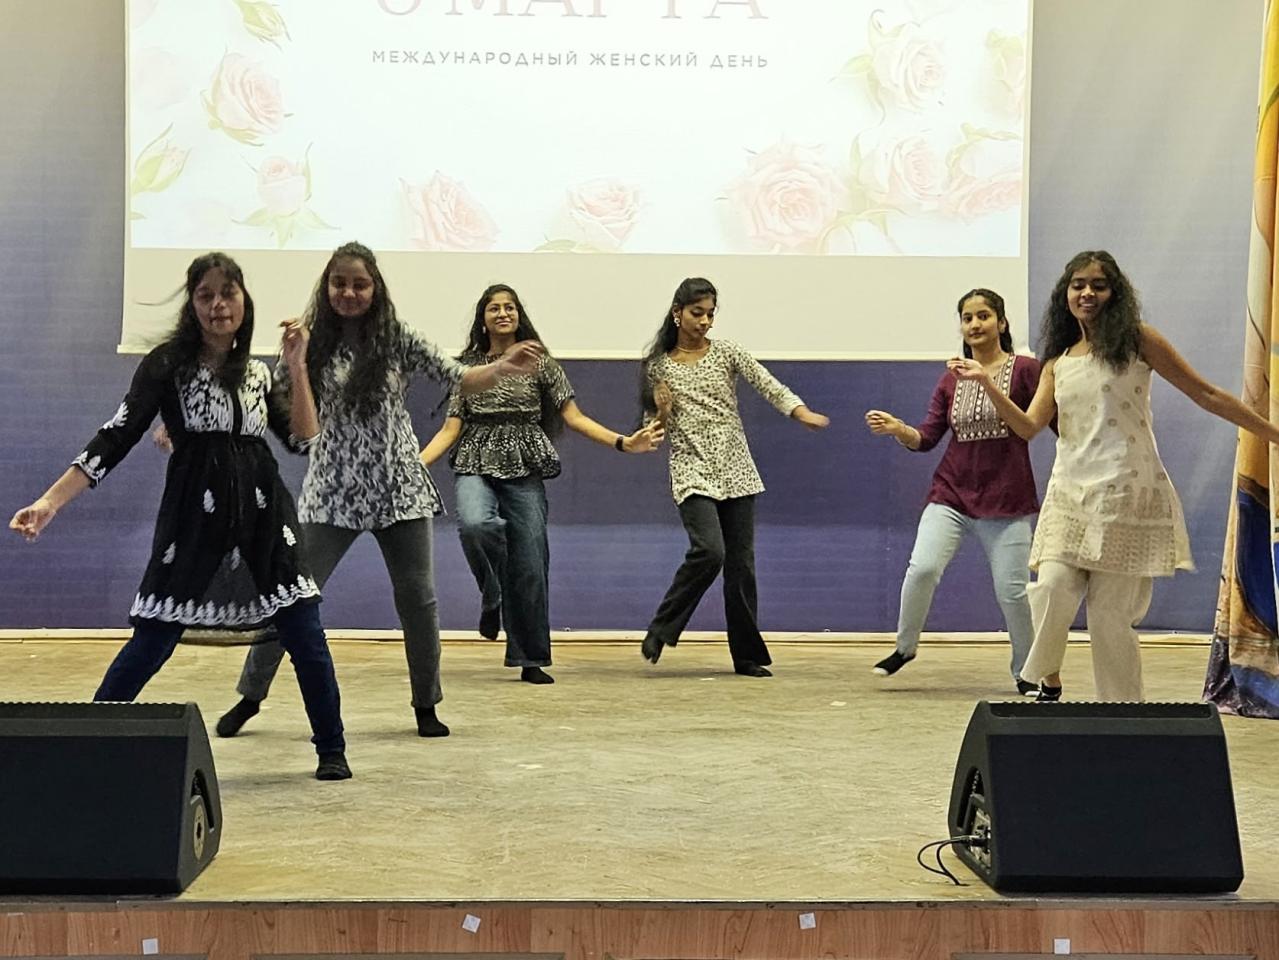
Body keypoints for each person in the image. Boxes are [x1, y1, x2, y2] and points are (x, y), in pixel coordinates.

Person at [9, 253, 352, 780]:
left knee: (304, 629)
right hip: (196, 519)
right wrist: (50, 502)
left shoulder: (258, 372)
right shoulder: (167, 365)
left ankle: (332, 748)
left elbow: (304, 439)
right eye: (205, 295)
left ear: (244, 300)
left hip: (265, 517)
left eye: (228, 293)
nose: (218, 305)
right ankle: (89, 738)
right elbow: (117, 435)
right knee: (155, 636)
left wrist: (299, 366)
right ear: (191, 305)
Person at [215, 243, 543, 739]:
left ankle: (426, 705)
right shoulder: (306, 340)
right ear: (326, 287)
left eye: (360, 284)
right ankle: (250, 696)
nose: (349, 293)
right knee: (292, 597)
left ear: (376, 288)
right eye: (339, 284)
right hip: (332, 491)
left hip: (399, 488)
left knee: (419, 601)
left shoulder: (397, 337)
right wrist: (295, 364)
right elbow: (283, 412)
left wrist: (501, 369)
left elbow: (459, 377)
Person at [952, 250, 1279, 701]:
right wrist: (988, 384)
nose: (1087, 293)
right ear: (1065, 294)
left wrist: (1272, 433)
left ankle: (1124, 712)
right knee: (1051, 586)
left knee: (1110, 617)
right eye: (1078, 285)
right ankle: (1044, 673)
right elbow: (1027, 427)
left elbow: (1205, 393)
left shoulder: (1138, 341)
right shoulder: (1057, 362)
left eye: (1098, 285)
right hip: (1069, 494)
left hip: (1127, 491)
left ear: (1115, 292)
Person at [420, 283, 663, 684]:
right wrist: (414, 466)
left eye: (510, 307)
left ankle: (529, 658)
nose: (503, 313)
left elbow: (575, 417)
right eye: (494, 308)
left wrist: (624, 442)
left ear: (519, 315)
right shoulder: (468, 368)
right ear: (483, 318)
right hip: (476, 459)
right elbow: (450, 429)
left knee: (530, 563)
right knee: (476, 525)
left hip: (525, 465)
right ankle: (493, 593)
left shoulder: (542, 364)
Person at [638, 277, 829, 676]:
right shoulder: (657, 365)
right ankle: (663, 627)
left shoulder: (727, 351)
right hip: (691, 467)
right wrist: (661, 412)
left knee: (741, 567)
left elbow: (769, 385)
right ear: (677, 313)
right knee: (710, 550)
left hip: (736, 468)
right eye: (697, 313)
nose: (705, 321)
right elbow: (653, 429)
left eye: (710, 314)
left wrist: (800, 412)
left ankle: (746, 656)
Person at [865, 289, 1043, 696]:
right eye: (967, 318)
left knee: (1012, 592)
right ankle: (904, 648)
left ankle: (1026, 671)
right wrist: (898, 429)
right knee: (922, 569)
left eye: (984, 316)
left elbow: (1034, 426)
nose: (975, 324)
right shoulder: (950, 379)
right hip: (951, 495)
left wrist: (986, 382)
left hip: (1007, 500)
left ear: (1002, 322)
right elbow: (926, 438)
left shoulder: (1026, 370)